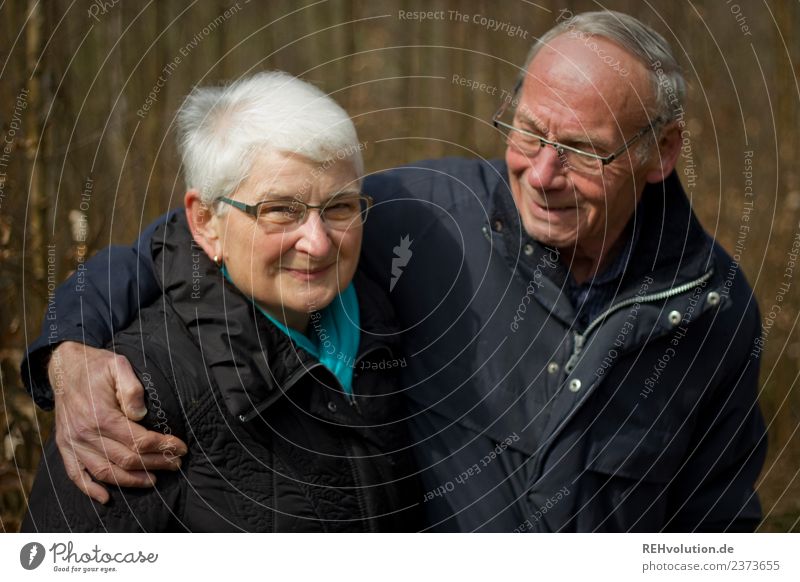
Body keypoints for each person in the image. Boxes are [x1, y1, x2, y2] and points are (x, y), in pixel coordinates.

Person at [21, 11, 766, 532]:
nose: (541, 173)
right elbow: (203, 239)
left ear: (660, 152)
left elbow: (718, 523)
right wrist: (69, 348)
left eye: (581, 149)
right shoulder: (424, 216)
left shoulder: (712, 311)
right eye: (528, 132)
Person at [21, 71, 421, 532]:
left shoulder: (386, 329)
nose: (319, 242)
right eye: (280, 210)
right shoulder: (133, 394)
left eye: (340, 207)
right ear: (206, 222)